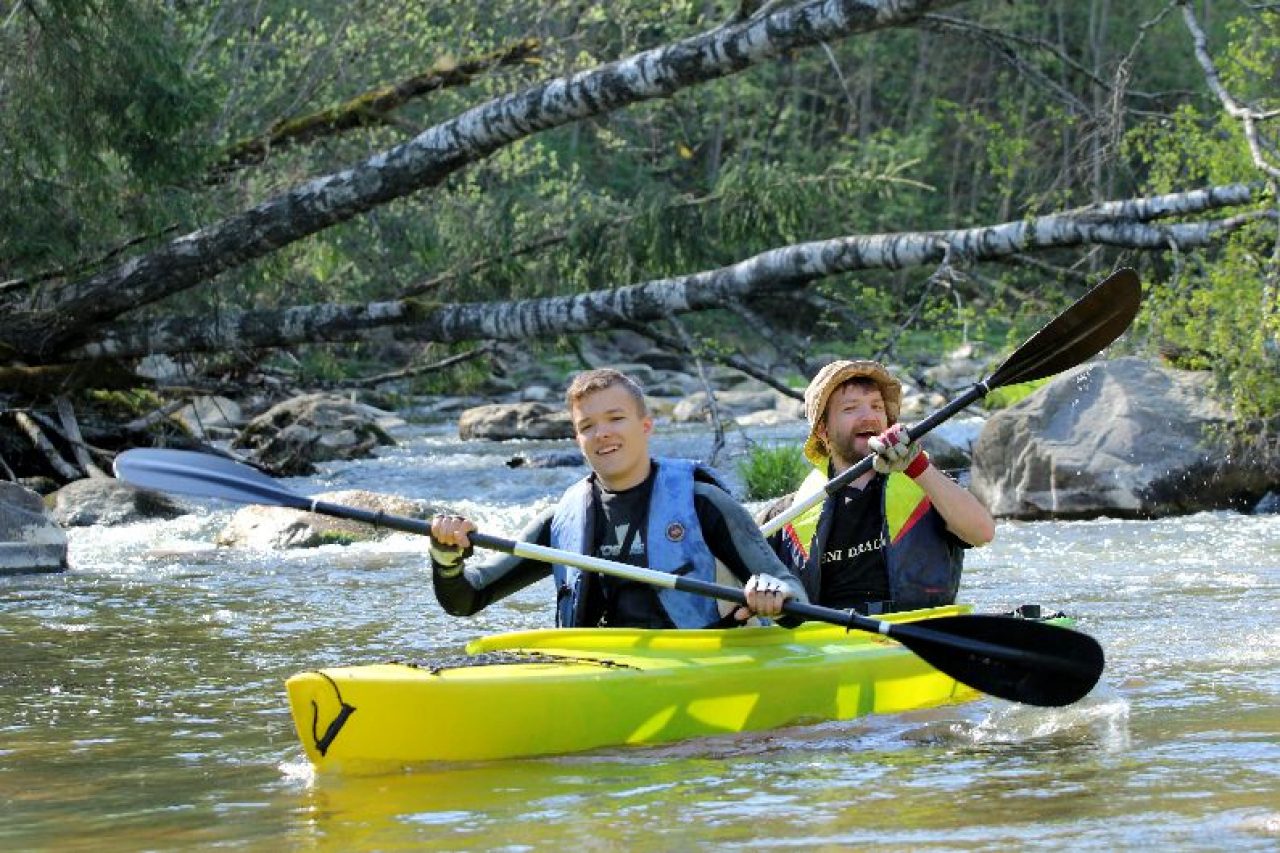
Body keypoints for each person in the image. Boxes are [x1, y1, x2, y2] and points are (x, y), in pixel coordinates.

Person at [429, 368, 808, 629]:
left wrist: (774, 596)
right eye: (587, 426)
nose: (602, 434)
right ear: (577, 439)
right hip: (601, 668)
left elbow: (797, 601)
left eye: (615, 418)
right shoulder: (561, 521)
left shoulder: (703, 503)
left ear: (645, 426)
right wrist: (446, 557)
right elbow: (466, 599)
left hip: (698, 664)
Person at [761, 360, 995, 614]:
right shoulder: (784, 515)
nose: (869, 417)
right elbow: (739, 583)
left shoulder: (928, 485)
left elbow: (982, 532)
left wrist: (918, 467)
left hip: (918, 629)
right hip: (825, 634)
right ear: (823, 431)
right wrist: (762, 590)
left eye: (876, 406)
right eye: (850, 409)